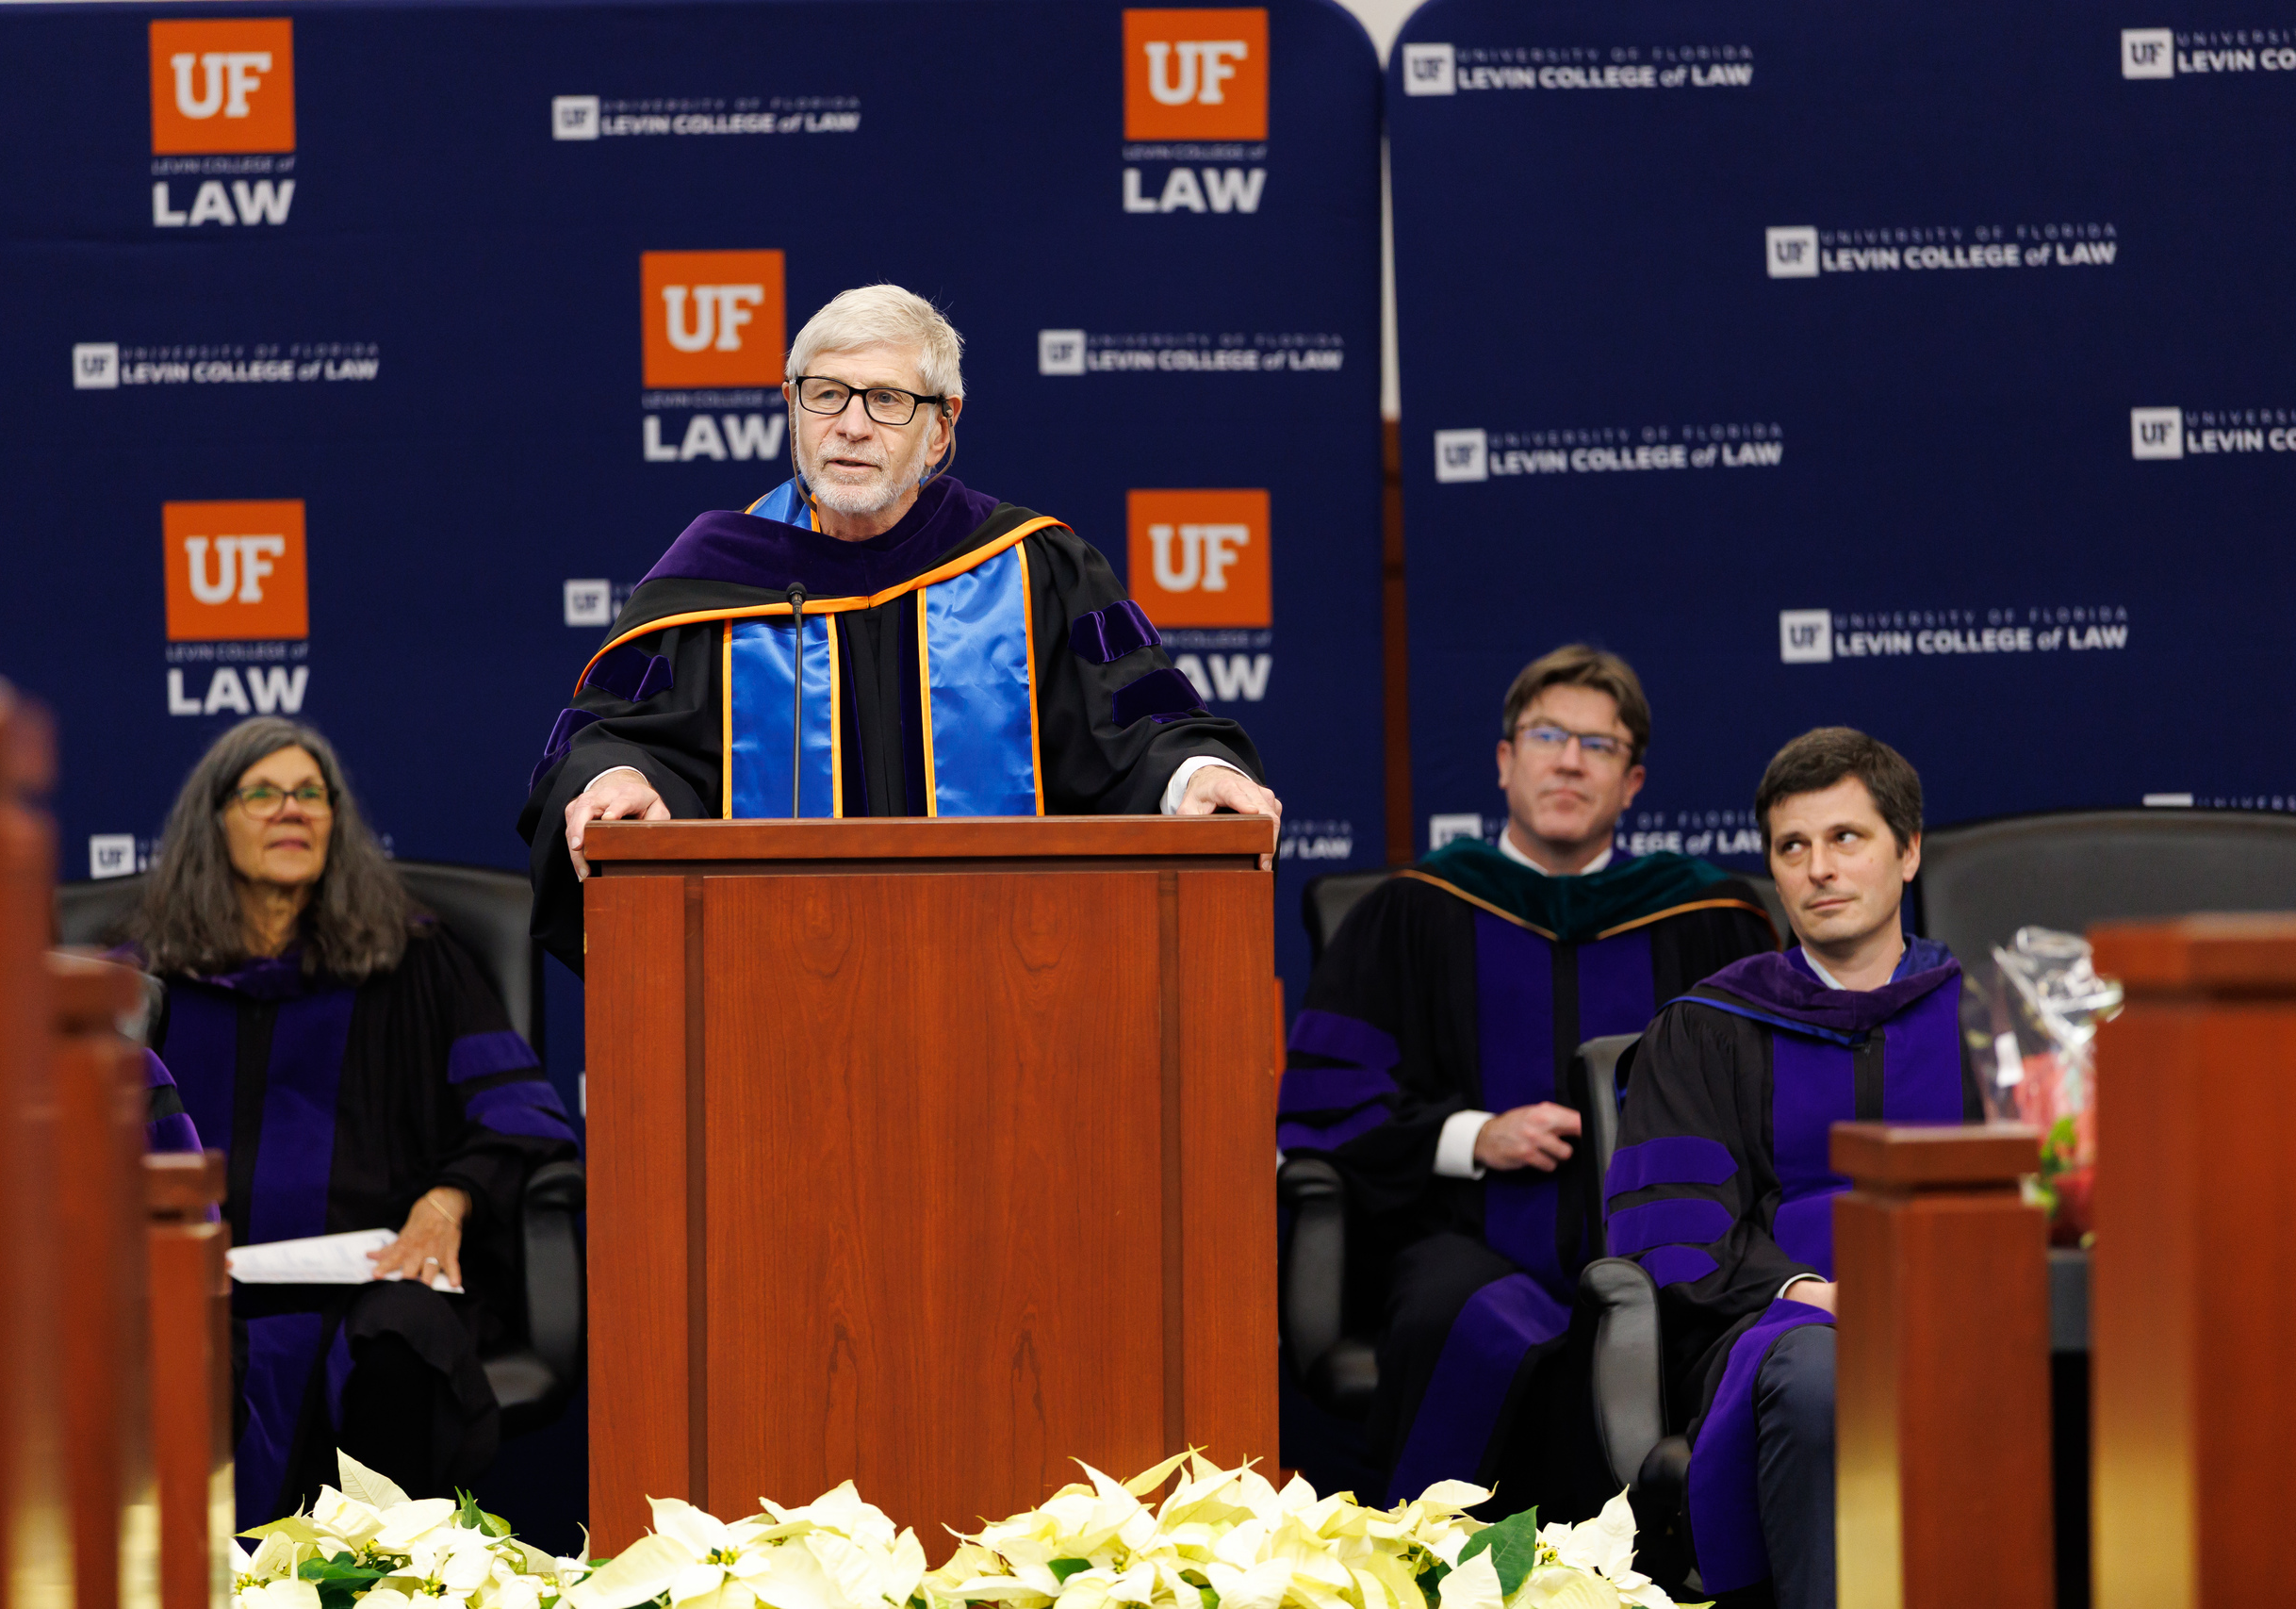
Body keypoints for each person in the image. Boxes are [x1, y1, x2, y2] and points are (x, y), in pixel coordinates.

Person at [518, 283, 1274, 970]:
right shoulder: (715, 577)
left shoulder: (1034, 568)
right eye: (825, 396)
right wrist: (618, 778)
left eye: (885, 400)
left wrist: (1195, 775)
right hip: (775, 984)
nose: (850, 426)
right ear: (790, 406)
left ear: (941, 428)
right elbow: (614, 740)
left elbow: (1143, 726)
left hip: (1013, 974)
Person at [1277, 646, 1777, 1511]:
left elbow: (1766, 1108)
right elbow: (1325, 1106)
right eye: (1548, 735)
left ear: (1633, 782)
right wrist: (1473, 1135)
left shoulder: (1710, 921)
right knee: (1458, 1317)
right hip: (1466, 1236)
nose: (1570, 759)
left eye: (1598, 744)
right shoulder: (1412, 912)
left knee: (1702, 1322)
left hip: (1661, 1245)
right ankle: (1426, 1564)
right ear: (1506, 761)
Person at [120, 717, 578, 1523]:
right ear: (213, 820)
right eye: (262, 792)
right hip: (192, 1285)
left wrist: (449, 1200)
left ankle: (384, 1576)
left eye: (311, 793)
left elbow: (522, 1113)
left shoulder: (414, 961)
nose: (291, 809)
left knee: (404, 1342)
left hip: (367, 1284)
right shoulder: (145, 981)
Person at [1607, 728, 1976, 1609]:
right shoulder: (1706, 1027)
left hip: (1969, 1303)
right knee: (1822, 1376)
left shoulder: (1985, 1016)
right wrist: (1814, 1291)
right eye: (1793, 846)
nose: (1819, 867)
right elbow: (1674, 1231)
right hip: (1778, 1324)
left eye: (1846, 837)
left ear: (1909, 849)